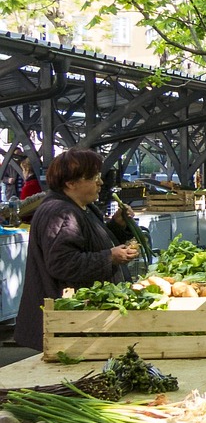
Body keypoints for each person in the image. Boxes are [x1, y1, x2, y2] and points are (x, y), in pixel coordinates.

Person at [14, 149, 138, 350]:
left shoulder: (80, 207)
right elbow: (63, 264)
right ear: (70, 183)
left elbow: (89, 242)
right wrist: (109, 257)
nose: (100, 182)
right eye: (93, 178)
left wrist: (117, 226)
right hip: (66, 324)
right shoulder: (61, 213)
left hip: (76, 322)